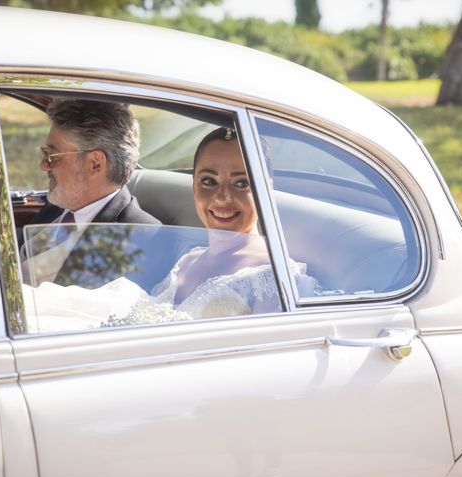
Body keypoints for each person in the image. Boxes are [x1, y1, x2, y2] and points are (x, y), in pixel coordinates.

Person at [23, 127, 316, 332]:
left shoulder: (275, 276)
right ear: (194, 184)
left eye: (241, 183)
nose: (222, 198)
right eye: (208, 181)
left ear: (267, 191)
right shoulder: (188, 260)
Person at [21, 98, 160, 286]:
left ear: (95, 163)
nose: (44, 165)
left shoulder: (143, 238)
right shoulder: (56, 207)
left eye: (52, 156)